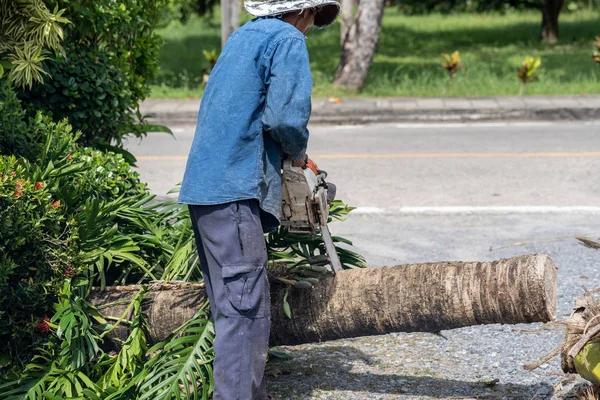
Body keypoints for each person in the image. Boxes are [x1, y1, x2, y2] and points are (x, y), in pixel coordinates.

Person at [178, 0, 341, 399]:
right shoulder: (287, 39)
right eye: (313, 20)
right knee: (245, 310)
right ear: (304, 12)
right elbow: (285, 118)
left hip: (205, 190)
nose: (309, 28)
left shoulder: (242, 37)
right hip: (235, 189)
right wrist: (299, 156)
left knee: (228, 307)